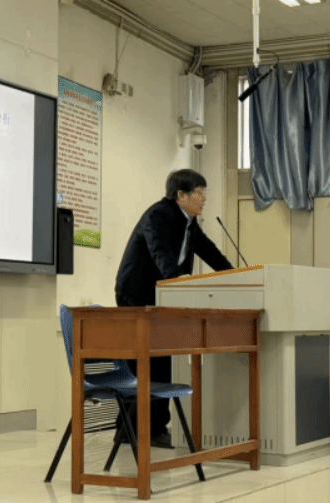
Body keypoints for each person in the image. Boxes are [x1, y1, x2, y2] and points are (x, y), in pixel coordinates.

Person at [114, 169, 234, 448]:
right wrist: (178, 281)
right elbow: (160, 252)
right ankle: (139, 430)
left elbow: (210, 252)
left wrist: (235, 276)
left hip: (161, 297)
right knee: (144, 363)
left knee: (161, 361)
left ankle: (140, 429)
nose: (204, 199)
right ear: (181, 195)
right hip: (137, 296)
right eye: (199, 193)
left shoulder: (190, 223)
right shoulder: (158, 215)